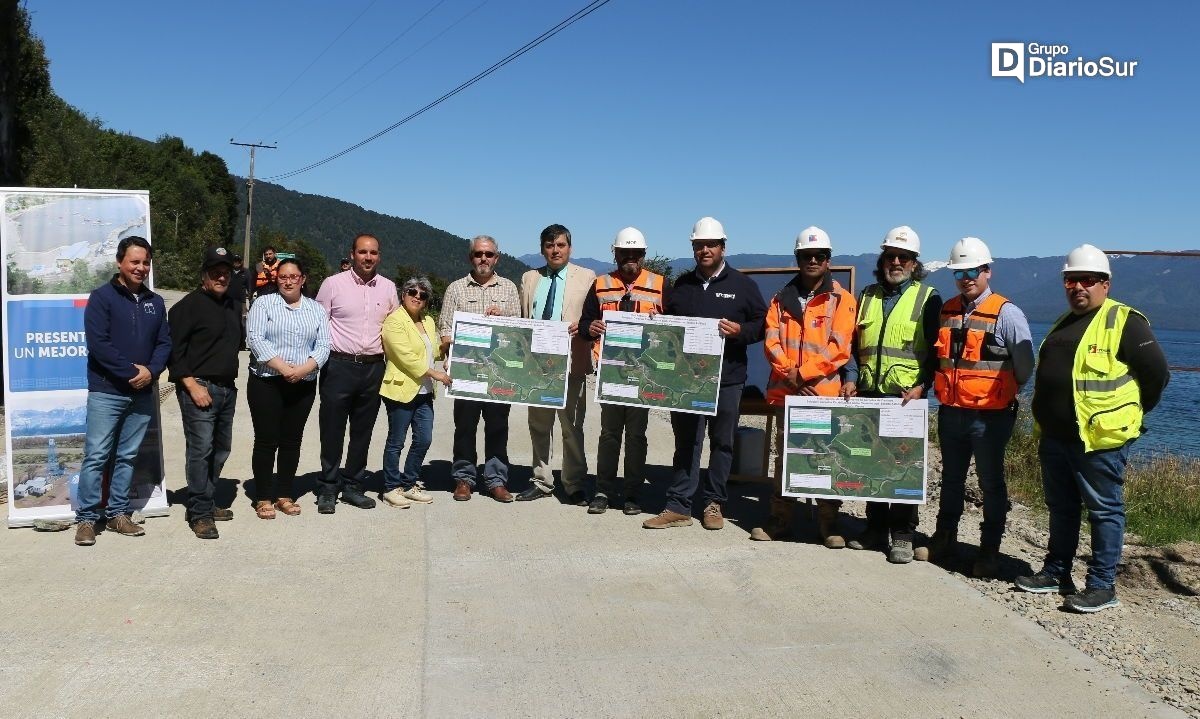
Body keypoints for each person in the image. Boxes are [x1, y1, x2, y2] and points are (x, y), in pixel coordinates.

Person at [1016, 245, 1169, 613]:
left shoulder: (1126, 322)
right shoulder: (1063, 322)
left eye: (1088, 279)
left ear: (1105, 284)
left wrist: (1131, 413)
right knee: (1062, 508)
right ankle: (1057, 572)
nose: (1078, 287)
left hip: (1099, 440)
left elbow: (1156, 375)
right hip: (1055, 436)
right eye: (1071, 279)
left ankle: (1102, 585)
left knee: (1104, 511)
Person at [644, 217, 766, 530]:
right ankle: (679, 505)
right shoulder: (681, 287)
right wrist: (660, 322)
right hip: (686, 381)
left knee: (722, 443)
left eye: (710, 244)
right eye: (699, 245)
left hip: (728, 378)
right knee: (686, 442)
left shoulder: (743, 286)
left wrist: (740, 331)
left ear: (723, 247)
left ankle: (714, 503)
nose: (704, 250)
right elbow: (669, 328)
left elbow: (762, 325)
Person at [927, 237, 1035, 577]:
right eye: (959, 272)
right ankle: (945, 537)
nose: (966, 277)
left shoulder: (1007, 313)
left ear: (988, 271)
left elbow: (1025, 365)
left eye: (973, 270)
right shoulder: (947, 310)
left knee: (991, 483)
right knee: (952, 479)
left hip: (990, 417)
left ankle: (989, 550)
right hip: (951, 411)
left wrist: (1006, 392)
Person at [839, 226, 942, 563]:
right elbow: (853, 345)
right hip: (869, 392)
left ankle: (902, 535)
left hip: (905, 398)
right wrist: (851, 376)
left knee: (902, 467)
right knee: (871, 464)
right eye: (891, 256)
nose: (896, 261)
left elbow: (936, 353)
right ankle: (874, 529)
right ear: (882, 260)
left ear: (914, 264)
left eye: (904, 257)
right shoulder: (865, 295)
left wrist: (923, 385)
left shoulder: (928, 298)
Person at [749, 227, 856, 546]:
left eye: (819, 256)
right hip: (788, 394)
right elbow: (771, 341)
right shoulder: (780, 299)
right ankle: (780, 519)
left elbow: (840, 347)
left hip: (822, 394)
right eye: (806, 255)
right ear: (798, 258)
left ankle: (829, 523)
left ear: (828, 260)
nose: (812, 260)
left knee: (827, 457)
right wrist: (791, 374)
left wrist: (804, 374)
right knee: (786, 457)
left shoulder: (842, 300)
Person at [73, 236, 172, 546]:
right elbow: (99, 345)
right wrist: (133, 373)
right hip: (107, 391)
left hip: (142, 393)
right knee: (97, 456)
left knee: (127, 456)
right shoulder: (101, 298)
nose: (140, 268)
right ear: (119, 262)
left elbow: (164, 343)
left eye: (145, 262)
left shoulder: (155, 303)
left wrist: (152, 372)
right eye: (134, 261)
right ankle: (87, 519)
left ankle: (118, 514)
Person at [579, 227, 669, 515]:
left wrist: (662, 323)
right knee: (609, 434)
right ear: (615, 254)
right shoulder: (601, 284)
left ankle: (632, 493)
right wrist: (589, 328)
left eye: (635, 254)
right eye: (624, 254)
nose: (630, 259)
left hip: (644, 374)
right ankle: (603, 490)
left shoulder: (660, 285)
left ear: (643, 255)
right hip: (612, 372)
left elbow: (676, 328)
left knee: (637, 435)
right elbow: (585, 323)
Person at [314, 233, 398, 513]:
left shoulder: (388, 288)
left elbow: (397, 328)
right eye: (363, 252)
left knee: (363, 431)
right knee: (332, 429)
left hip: (374, 367)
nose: (368, 257)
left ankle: (352, 485)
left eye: (373, 252)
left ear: (379, 256)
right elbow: (317, 324)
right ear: (352, 254)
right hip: (338, 366)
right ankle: (327, 487)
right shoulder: (332, 285)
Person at [516, 224, 597, 504]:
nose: (555, 250)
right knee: (538, 425)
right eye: (550, 246)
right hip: (536, 365)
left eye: (560, 245)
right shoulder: (529, 277)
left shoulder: (587, 277)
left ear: (570, 248)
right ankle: (541, 479)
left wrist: (583, 326)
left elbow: (595, 316)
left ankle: (574, 483)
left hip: (571, 361)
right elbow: (522, 316)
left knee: (571, 426)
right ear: (542, 249)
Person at [245, 258, 331, 520]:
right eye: (283, 276)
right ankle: (262, 496)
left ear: (303, 279)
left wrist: (303, 370)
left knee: (292, 441)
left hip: (302, 384)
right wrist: (284, 368)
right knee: (266, 439)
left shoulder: (315, 309)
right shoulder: (264, 303)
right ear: (276, 278)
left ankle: (284, 493)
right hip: (267, 381)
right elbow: (255, 339)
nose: (288, 280)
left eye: (294, 276)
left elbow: (324, 345)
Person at [439, 235, 522, 502]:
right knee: (465, 427)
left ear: (497, 258)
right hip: (467, 373)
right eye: (478, 254)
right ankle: (464, 479)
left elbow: (519, 332)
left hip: (499, 372)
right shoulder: (455, 289)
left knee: (498, 427)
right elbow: (444, 330)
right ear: (470, 257)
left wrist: (503, 322)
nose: (483, 259)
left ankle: (496, 480)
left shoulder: (509, 288)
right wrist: (466, 334)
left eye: (488, 254)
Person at [168, 247, 243, 539]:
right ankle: (199, 513)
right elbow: (173, 352)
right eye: (215, 272)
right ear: (204, 275)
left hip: (226, 389)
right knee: (200, 451)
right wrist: (191, 385)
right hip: (198, 387)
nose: (222, 276)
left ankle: (206, 500)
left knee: (221, 449)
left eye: (225, 272)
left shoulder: (233, 305)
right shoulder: (187, 307)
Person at [379, 276, 451, 508]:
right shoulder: (394, 321)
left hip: (425, 392)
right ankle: (391, 487)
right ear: (403, 294)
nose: (417, 297)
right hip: (400, 390)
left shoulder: (428, 321)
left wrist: (451, 352)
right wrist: (435, 373)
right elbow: (405, 357)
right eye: (412, 292)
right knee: (396, 441)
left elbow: (433, 352)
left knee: (424, 439)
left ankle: (409, 483)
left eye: (423, 295)